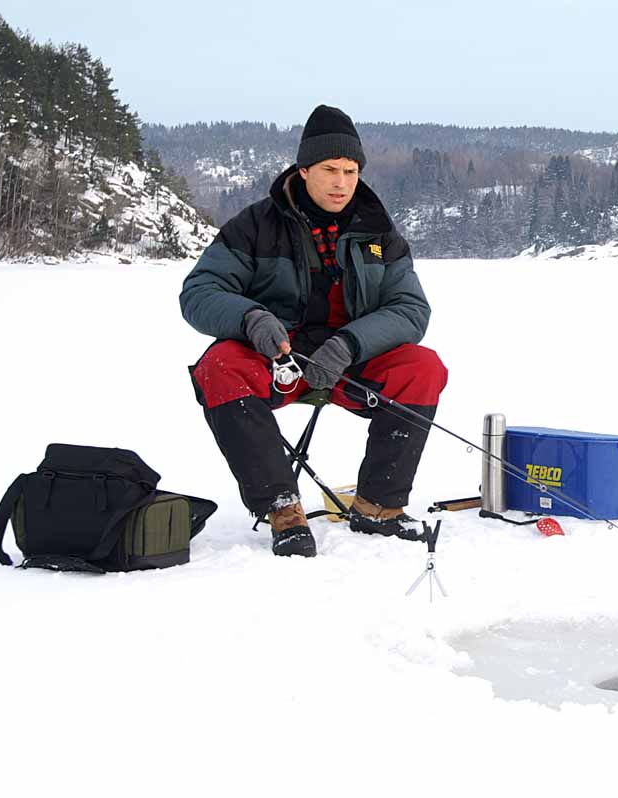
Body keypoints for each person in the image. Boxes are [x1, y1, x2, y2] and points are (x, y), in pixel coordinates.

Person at [180, 104, 448, 558]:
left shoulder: (379, 232)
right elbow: (200, 291)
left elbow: (410, 309)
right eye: (330, 170)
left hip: (348, 364)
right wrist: (251, 318)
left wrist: (350, 342)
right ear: (303, 170)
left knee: (422, 367)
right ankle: (283, 510)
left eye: (350, 170)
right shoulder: (254, 226)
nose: (342, 182)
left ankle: (378, 506)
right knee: (219, 365)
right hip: (276, 357)